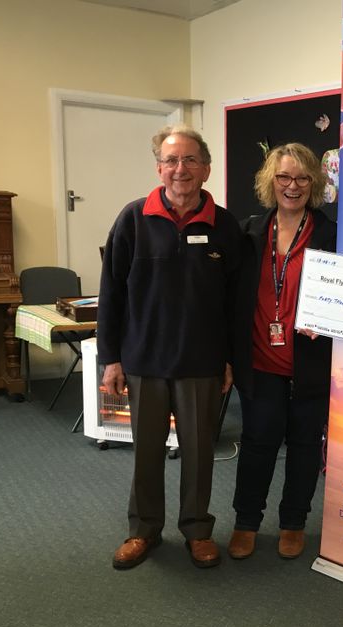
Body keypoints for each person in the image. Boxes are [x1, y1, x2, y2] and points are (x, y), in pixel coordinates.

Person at [99, 124, 241, 570]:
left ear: (207, 168)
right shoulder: (133, 218)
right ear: (159, 167)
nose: (181, 169)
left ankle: (197, 530)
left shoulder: (225, 225)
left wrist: (230, 359)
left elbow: (235, 302)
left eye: (191, 160)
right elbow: (112, 294)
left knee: (199, 452)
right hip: (144, 359)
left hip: (200, 361)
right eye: (172, 160)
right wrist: (110, 358)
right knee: (146, 450)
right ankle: (143, 530)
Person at [227, 143, 336, 561]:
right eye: (284, 177)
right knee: (258, 441)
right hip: (260, 359)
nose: (293, 186)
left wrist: (327, 319)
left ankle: (293, 522)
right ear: (270, 182)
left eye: (302, 178)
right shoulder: (249, 232)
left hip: (311, 360)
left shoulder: (331, 234)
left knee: (306, 444)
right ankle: (246, 521)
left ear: (315, 182)